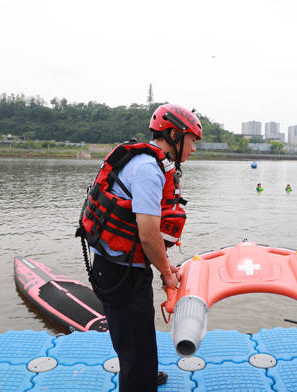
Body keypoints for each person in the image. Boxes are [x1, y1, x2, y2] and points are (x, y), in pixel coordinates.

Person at [76, 103, 202, 391]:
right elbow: (148, 234)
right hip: (120, 270)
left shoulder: (148, 162)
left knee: (140, 330)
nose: (193, 149)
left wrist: (161, 264)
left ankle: (145, 374)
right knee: (132, 341)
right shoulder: (149, 170)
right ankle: (138, 382)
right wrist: (167, 273)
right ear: (173, 134)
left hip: (123, 263)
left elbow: (146, 234)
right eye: (192, 140)